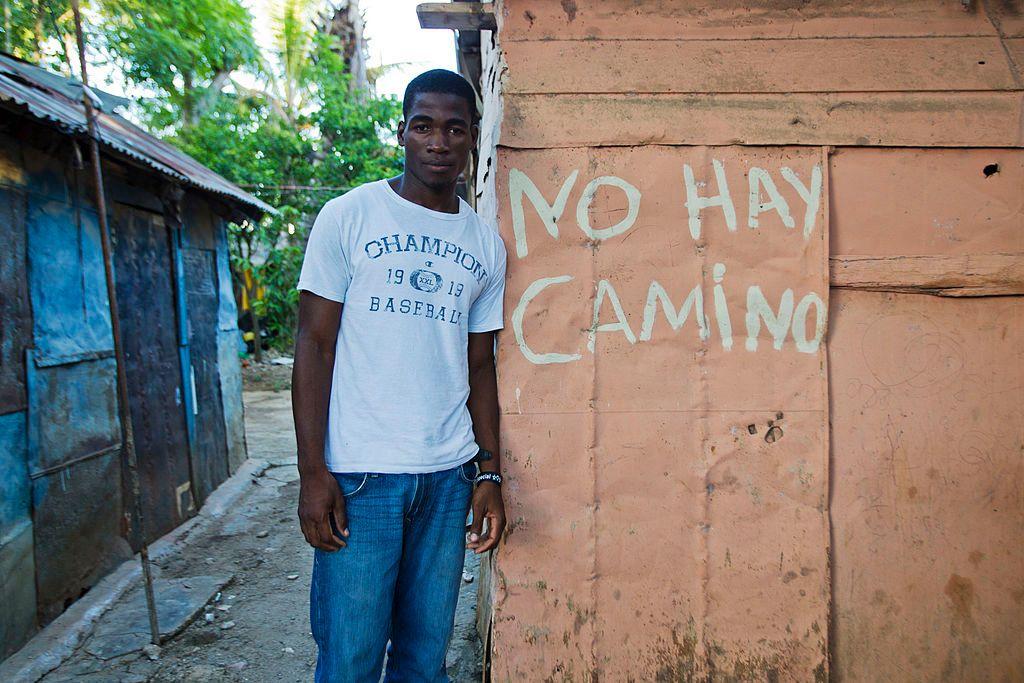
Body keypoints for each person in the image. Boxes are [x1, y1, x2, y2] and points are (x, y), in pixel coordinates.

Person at [292, 69, 507, 682]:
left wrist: (487, 471)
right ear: (402, 133)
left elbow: (479, 366)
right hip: (361, 476)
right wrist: (313, 472)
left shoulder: (484, 244)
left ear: (473, 139)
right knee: (350, 658)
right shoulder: (350, 216)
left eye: (455, 128)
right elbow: (313, 344)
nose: (438, 141)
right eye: (423, 126)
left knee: (423, 657)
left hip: (446, 478)